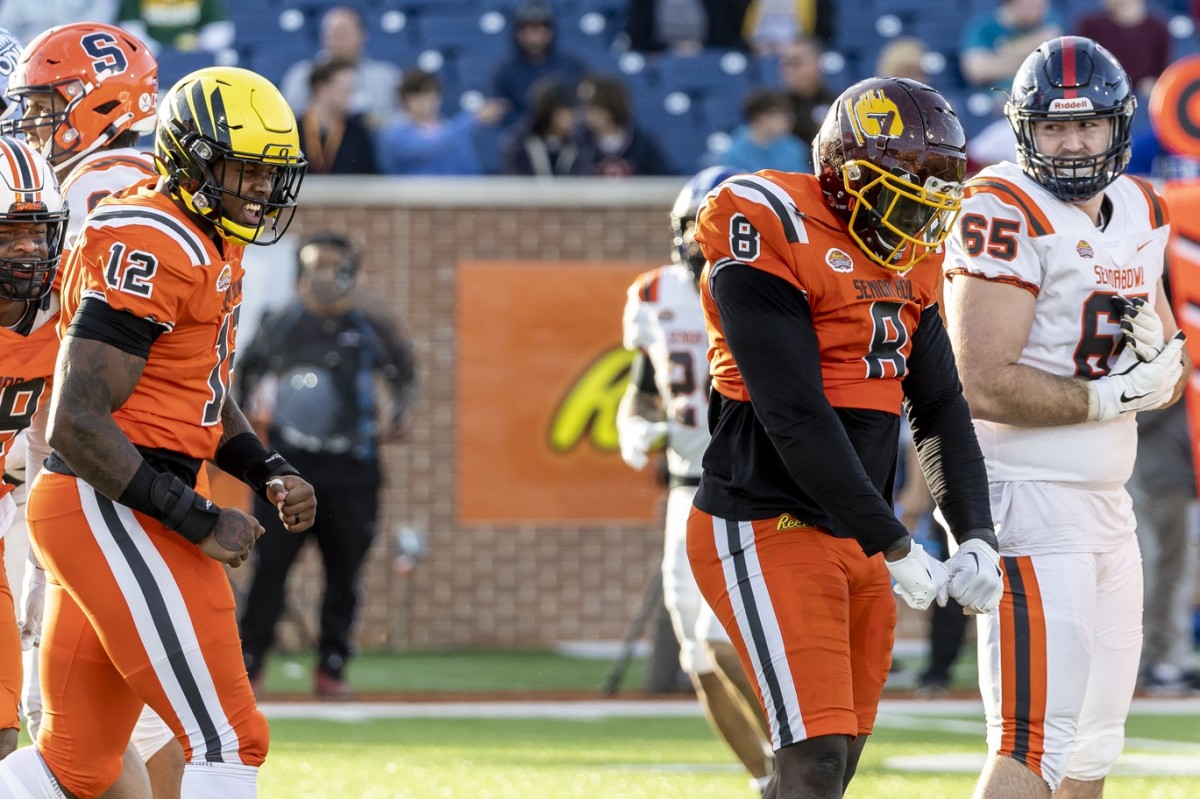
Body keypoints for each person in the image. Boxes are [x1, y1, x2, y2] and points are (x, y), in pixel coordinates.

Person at [686, 77, 1004, 799]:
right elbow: (793, 410)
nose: (914, 227)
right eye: (901, 199)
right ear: (845, 177)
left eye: (929, 208)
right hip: (766, 519)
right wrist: (892, 540)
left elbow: (940, 405)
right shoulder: (767, 220)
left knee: (839, 759)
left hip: (856, 531)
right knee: (816, 756)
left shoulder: (910, 257)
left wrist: (973, 530)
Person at [0, 65, 313, 799]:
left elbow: (198, 391)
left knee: (74, 764)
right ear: (195, 160)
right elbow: (77, 420)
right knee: (230, 737)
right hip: (116, 501)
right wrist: (196, 515)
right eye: (245, 170)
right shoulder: (150, 236)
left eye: (271, 175)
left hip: (124, 500)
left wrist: (265, 465)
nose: (261, 191)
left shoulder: (207, 238)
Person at [942, 36, 1189, 798]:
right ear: (1025, 130)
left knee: (1091, 753)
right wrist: (1109, 397)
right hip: (1029, 498)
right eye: (1054, 126)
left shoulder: (1142, 204)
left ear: (1118, 127)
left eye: (1087, 126)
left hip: (1107, 504)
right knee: (1030, 750)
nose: (1073, 142)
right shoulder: (1001, 205)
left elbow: (1163, 365)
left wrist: (1163, 366)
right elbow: (980, 382)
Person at [2, 21, 191, 798]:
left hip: (82, 459)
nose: (35, 125)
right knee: (143, 715)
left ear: (101, 98)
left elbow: (78, 334)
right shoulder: (151, 179)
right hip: (139, 456)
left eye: (49, 107)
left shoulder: (96, 185)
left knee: (65, 722)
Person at [617, 165, 774, 795]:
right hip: (686, 487)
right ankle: (768, 778)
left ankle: (808, 756)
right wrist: (634, 429)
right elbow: (643, 392)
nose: (698, 241)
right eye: (690, 226)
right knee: (698, 657)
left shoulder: (774, 291)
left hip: (749, 485)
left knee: (721, 640)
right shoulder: (654, 294)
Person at [236, 232, 416, 699]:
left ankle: (332, 667)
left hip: (353, 468)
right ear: (301, 271)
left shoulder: (372, 324)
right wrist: (246, 440)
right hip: (285, 468)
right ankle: (248, 667)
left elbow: (404, 374)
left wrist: (399, 415)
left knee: (345, 576)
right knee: (269, 571)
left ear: (350, 272)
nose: (324, 277)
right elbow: (243, 376)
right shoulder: (280, 323)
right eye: (314, 266)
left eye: (334, 267)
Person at [0, 136, 67, 768]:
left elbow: (51, 444)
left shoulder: (59, 320)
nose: (29, 250)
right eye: (9, 233)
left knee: (4, 727)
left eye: (37, 231)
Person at [280, 6, 401, 130]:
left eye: (344, 32)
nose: (337, 38)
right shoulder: (302, 75)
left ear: (363, 36)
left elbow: (404, 124)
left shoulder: (387, 77)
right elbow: (288, 121)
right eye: (331, 33)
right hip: (316, 146)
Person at [376, 70, 505, 176]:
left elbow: (469, 169)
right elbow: (428, 148)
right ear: (406, 99)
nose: (428, 102)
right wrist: (473, 119)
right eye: (420, 96)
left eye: (432, 95)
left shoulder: (450, 130)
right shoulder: (394, 132)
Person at [489, 0, 584, 128]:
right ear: (517, 32)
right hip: (521, 138)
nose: (533, 33)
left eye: (539, 26)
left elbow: (583, 106)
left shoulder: (572, 66)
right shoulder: (504, 70)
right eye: (527, 27)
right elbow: (499, 112)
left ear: (550, 31)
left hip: (568, 136)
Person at [577, 74, 672, 176]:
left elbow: (663, 179)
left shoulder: (643, 145)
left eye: (593, 105)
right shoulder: (578, 145)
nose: (586, 112)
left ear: (610, 106)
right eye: (584, 105)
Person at [959, 0, 1063, 92]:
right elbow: (977, 71)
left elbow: (1054, 47)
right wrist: (1033, 51)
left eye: (1040, 7)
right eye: (1028, 6)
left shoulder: (1048, 19)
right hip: (996, 95)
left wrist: (1004, 55)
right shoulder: (984, 26)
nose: (1037, 12)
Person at [1074, 0, 1170, 98]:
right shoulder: (1090, 26)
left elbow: (1162, 72)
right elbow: (1083, 69)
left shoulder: (1158, 29)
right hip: (1103, 94)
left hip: (1143, 97)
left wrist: (1153, 84)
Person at [297, 58, 377, 175]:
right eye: (345, 90)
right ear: (322, 90)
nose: (352, 97)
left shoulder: (358, 133)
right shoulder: (293, 131)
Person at [501, 78, 590, 177]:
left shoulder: (581, 144)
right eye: (569, 112)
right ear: (552, 113)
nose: (574, 118)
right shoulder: (519, 144)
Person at [718, 89, 807, 174]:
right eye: (778, 115)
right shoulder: (735, 152)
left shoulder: (794, 147)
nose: (787, 120)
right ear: (759, 117)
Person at [624, 0, 749, 54]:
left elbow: (723, 35)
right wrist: (671, 47)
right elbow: (637, 36)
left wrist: (698, 46)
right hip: (660, 58)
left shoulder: (714, 2)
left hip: (705, 56)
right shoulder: (645, 2)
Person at [778, 36, 836, 148]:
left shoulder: (837, 105)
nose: (789, 70)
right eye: (785, 64)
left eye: (796, 63)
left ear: (817, 63)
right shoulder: (774, 108)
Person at [117, 0, 233, 55]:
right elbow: (129, 28)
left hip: (193, 57)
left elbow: (220, 28)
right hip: (150, 56)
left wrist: (200, 42)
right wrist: (153, 49)